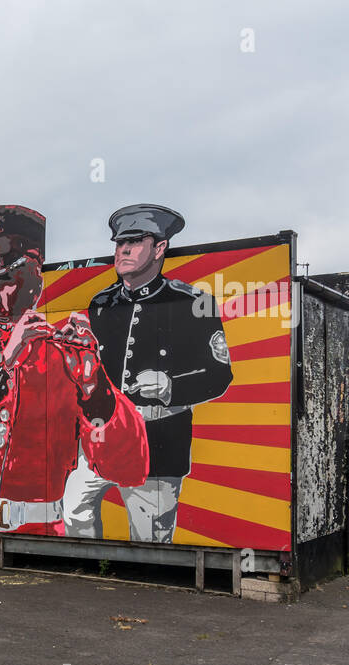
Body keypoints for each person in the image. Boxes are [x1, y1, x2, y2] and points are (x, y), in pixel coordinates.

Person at [0, 205, 148, 534]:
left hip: (41, 533)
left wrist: (93, 382)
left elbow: (128, 467)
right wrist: (7, 357)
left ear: (33, 285)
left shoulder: (64, 354)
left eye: (6, 280)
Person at [62, 203, 233, 542]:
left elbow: (219, 374)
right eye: (119, 243)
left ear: (159, 248)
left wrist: (171, 386)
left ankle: (148, 587)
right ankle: (89, 573)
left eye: (135, 241)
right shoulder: (101, 303)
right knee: (73, 507)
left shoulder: (193, 303)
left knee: (150, 537)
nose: (122, 250)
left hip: (158, 438)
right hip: (103, 435)